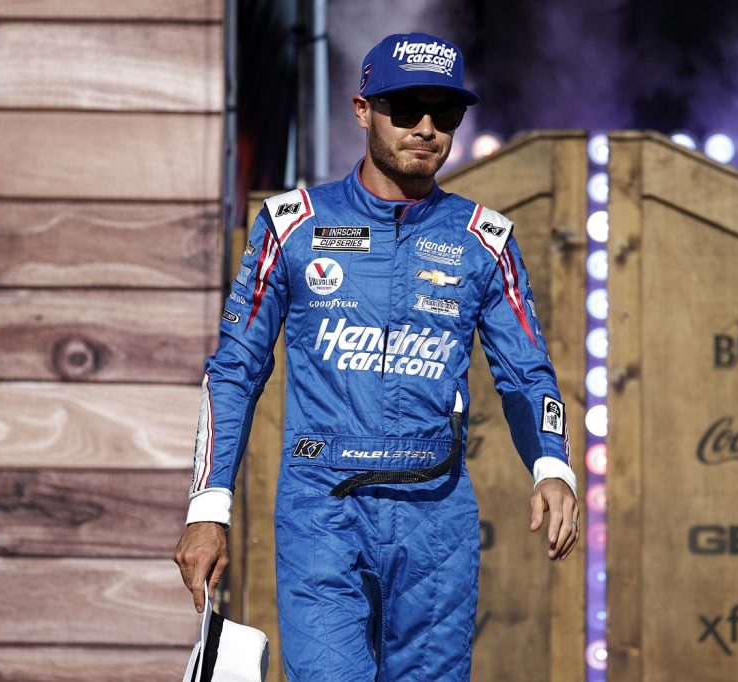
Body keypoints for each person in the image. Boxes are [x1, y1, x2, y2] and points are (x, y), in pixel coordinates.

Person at [174, 31, 579, 681]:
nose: (425, 128)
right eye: (405, 109)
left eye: (444, 113)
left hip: (436, 522)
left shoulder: (486, 239)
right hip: (321, 512)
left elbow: (527, 371)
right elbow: (233, 370)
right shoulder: (290, 224)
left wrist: (552, 465)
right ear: (362, 110)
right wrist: (207, 509)